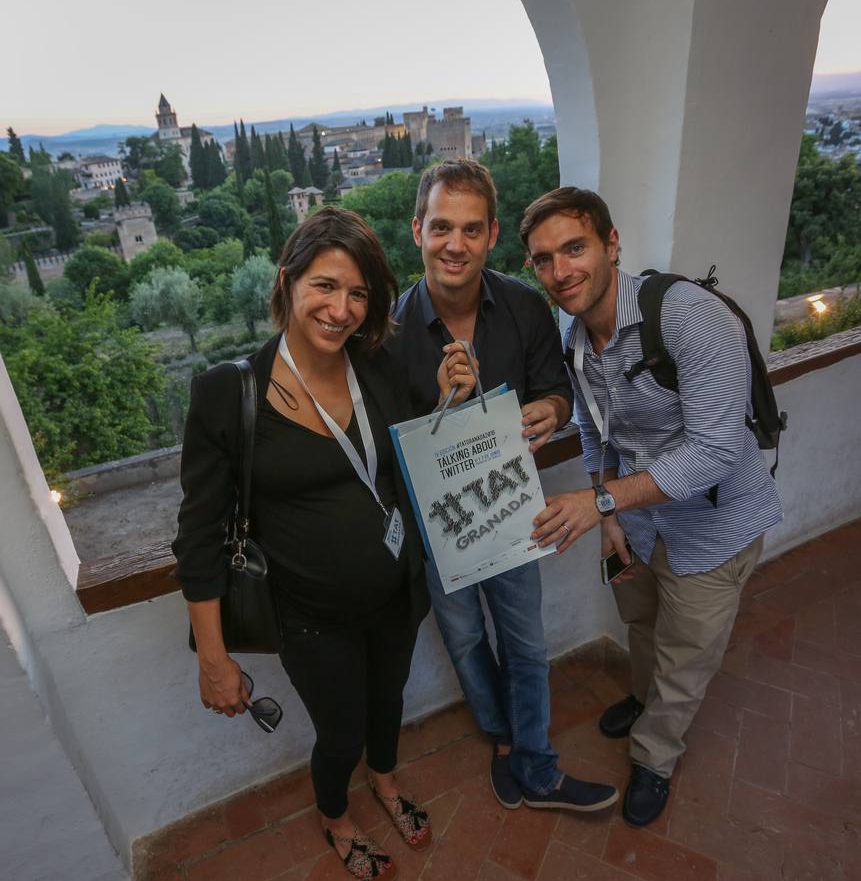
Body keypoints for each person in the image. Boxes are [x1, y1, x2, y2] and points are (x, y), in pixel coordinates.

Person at [172, 207, 476, 880]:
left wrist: (447, 401)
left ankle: (385, 780)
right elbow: (198, 535)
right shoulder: (229, 393)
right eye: (325, 286)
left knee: (388, 704)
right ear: (287, 281)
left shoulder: (375, 365)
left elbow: (404, 456)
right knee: (340, 733)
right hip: (310, 621)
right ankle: (336, 816)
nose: (341, 310)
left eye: (358, 293)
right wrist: (214, 658)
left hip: (397, 596)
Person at [522, 187, 783, 828]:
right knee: (642, 624)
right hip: (637, 525)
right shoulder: (574, 335)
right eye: (543, 259)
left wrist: (601, 501)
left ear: (611, 244)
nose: (560, 271)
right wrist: (611, 518)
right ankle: (642, 700)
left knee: (685, 657)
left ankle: (655, 758)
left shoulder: (691, 317)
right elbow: (595, 431)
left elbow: (715, 451)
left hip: (715, 529)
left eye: (575, 248)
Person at [385, 159, 619, 814]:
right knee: (463, 641)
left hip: (513, 510)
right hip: (437, 524)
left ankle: (537, 766)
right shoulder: (389, 332)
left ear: (491, 234)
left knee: (524, 642)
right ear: (417, 230)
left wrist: (552, 410)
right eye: (440, 227)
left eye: (470, 229)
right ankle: (503, 739)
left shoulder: (523, 306)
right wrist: (441, 405)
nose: (454, 244)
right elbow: (383, 444)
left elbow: (558, 393)